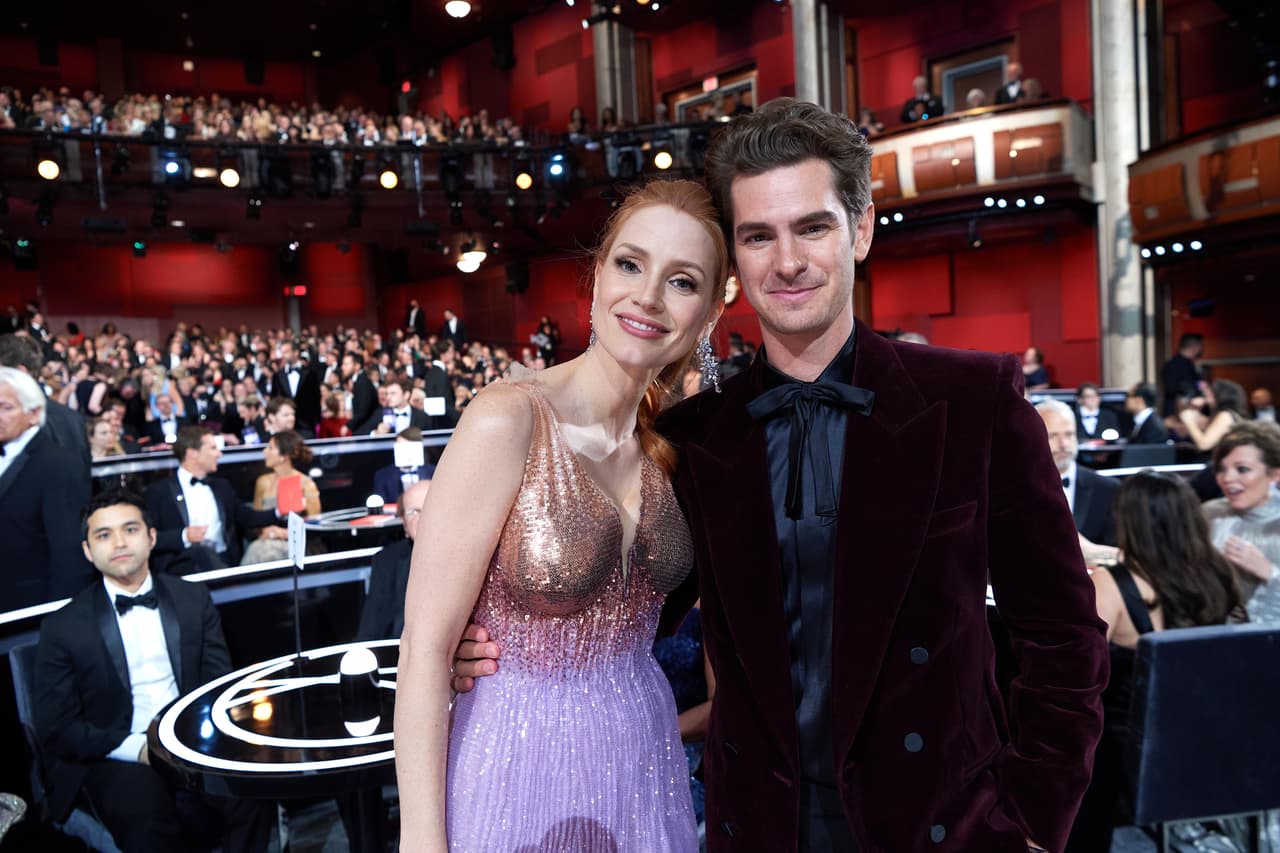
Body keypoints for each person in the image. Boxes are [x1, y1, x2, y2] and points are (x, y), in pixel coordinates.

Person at [455, 99, 1107, 852]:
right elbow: (629, 605)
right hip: (760, 830)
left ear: (860, 230)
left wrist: (1032, 824)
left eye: (813, 227)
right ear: (735, 261)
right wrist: (496, 638)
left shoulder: (973, 401)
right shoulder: (694, 439)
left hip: (944, 828)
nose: (787, 261)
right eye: (759, 235)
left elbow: (1064, 634)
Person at [395, 178, 728, 852]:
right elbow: (425, 649)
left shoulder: (680, 445)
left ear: (712, 311)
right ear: (597, 275)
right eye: (630, 264)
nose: (648, 296)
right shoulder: (508, 418)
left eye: (682, 281)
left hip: (645, 759)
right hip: (516, 763)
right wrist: (421, 840)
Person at [33, 489, 273, 853]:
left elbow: (217, 684)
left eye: (130, 529)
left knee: (252, 792)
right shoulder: (63, 627)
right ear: (88, 551)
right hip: (115, 751)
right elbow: (59, 727)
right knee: (149, 819)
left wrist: (194, 740)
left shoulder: (192, 599)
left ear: (152, 537)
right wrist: (138, 748)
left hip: (192, 740)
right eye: (104, 535)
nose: (119, 542)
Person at [1066, 471, 1245, 853]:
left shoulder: (1111, 585)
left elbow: (1078, 674)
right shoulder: (1217, 573)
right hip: (1205, 736)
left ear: (1129, 522)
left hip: (1122, 754)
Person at [0, 366, 94, 611]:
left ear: (34, 414)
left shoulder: (60, 465)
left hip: (31, 608)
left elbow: (69, 555)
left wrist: (59, 618)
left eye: (6, 408)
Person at [144, 426, 284, 574]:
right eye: (213, 448)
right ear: (192, 453)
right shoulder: (159, 492)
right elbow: (148, 538)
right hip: (183, 568)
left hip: (223, 563)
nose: (219, 454)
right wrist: (184, 536)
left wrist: (279, 512)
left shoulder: (222, 486)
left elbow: (247, 517)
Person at [1202, 422, 1280, 623]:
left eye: (1242, 469)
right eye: (1221, 469)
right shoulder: (1208, 514)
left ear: (1275, 474)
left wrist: (1270, 573)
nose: (1227, 478)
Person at [1038, 399, 1120, 549]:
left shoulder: (1108, 489)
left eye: (1069, 434)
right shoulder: (1015, 489)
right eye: (1052, 436)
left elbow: (1121, 551)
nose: (1064, 444)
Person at [358, 479, 431, 641]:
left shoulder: (470, 557)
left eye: (430, 509)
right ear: (404, 524)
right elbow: (370, 630)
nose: (423, 518)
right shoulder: (386, 561)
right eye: (414, 512)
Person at [240, 430, 321, 565]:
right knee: (260, 550)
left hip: (295, 545)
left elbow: (314, 526)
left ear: (283, 456)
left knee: (266, 551)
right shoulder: (263, 482)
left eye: (270, 448)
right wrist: (264, 532)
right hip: (264, 543)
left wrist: (281, 533)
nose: (265, 452)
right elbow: (255, 519)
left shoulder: (306, 484)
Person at [1179, 377, 1248, 451]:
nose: (1206, 392)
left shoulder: (1226, 415)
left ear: (1222, 394)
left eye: (1211, 391)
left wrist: (1189, 421)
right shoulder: (1219, 414)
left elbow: (1204, 445)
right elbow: (1189, 431)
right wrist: (1194, 408)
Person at [372, 426, 436, 504]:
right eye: (400, 447)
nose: (405, 451)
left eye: (409, 447)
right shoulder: (383, 476)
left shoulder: (433, 472)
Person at [1161, 332, 1203, 416]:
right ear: (1194, 346)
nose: (1201, 349)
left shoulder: (1191, 365)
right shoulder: (1173, 366)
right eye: (1200, 346)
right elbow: (1171, 388)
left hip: (1188, 411)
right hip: (1177, 412)